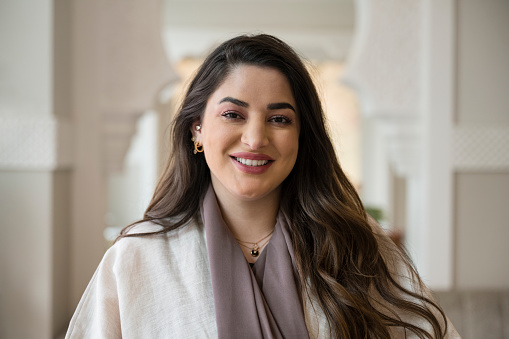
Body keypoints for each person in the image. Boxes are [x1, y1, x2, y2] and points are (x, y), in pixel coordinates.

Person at [66, 34, 459, 338]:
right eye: (233, 114)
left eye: (280, 119)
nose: (255, 138)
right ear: (196, 128)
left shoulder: (359, 245)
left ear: (303, 136)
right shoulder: (137, 258)